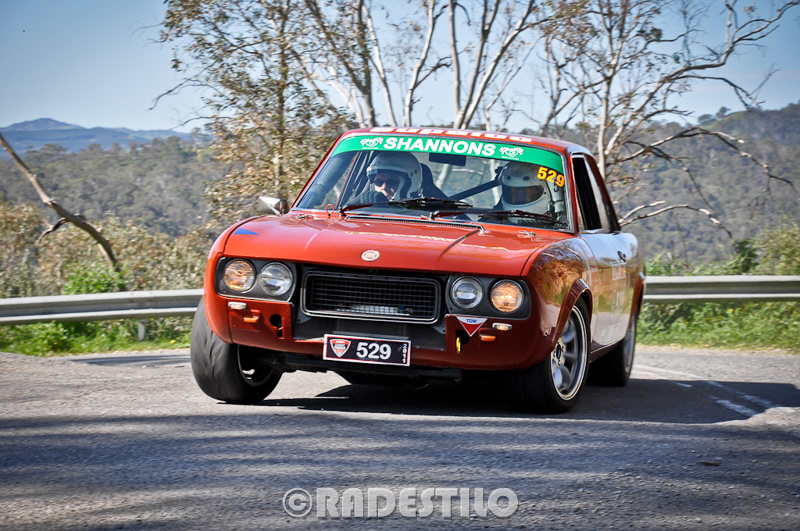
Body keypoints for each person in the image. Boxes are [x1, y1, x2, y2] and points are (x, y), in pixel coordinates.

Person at [353, 152, 422, 203]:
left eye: (391, 182)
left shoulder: (419, 214)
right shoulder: (360, 211)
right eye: (378, 182)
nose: (383, 187)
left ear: (408, 185)